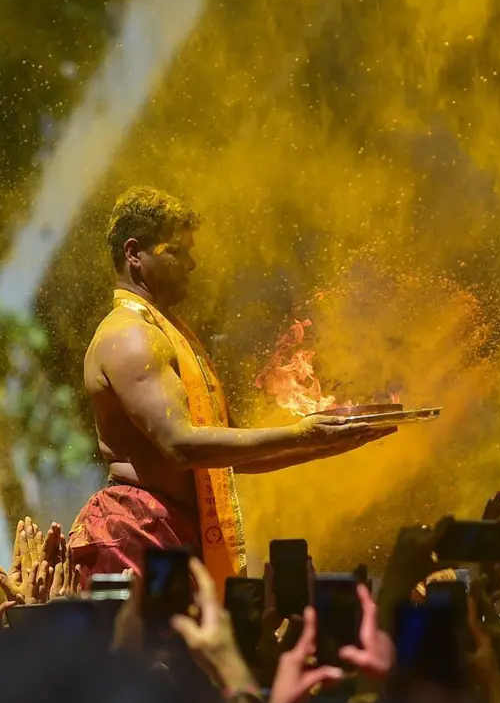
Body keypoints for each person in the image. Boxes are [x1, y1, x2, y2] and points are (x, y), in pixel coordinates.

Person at [69, 186, 391, 585]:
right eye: (177, 251)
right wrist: (299, 434)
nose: (192, 263)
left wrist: (322, 443)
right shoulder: (130, 335)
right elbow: (181, 445)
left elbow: (229, 453)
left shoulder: (169, 333)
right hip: (137, 536)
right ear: (135, 253)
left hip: (174, 533)